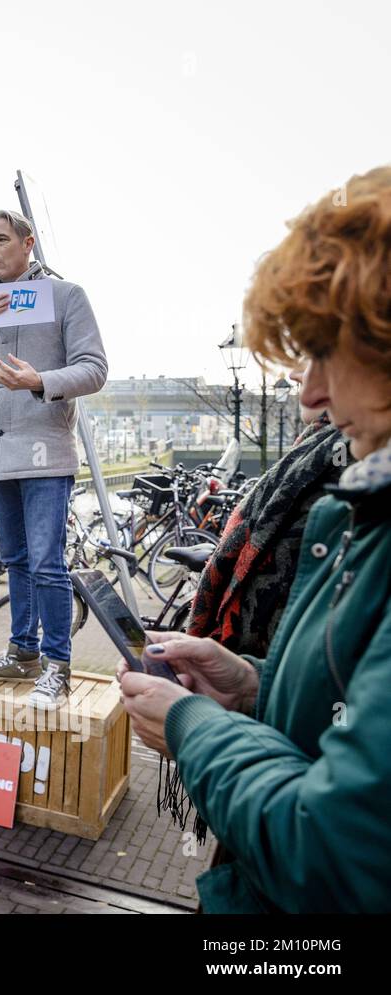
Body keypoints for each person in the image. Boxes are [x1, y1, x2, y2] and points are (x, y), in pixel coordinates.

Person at [120, 166, 391, 912]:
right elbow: (353, 712)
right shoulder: (359, 502)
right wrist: (252, 686)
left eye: (327, 352)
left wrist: (191, 727)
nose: (307, 395)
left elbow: (334, 848)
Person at [0, 209, 107, 708]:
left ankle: (58, 665)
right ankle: (22, 653)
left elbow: (95, 369)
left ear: (27, 242)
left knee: (46, 564)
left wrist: (40, 381)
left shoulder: (67, 296)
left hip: (44, 453)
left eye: (0, 239)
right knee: (14, 559)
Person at [186, 364, 342, 658]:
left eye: (317, 354)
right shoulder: (318, 452)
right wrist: (246, 682)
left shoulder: (340, 467)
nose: (296, 375)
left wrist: (197, 704)